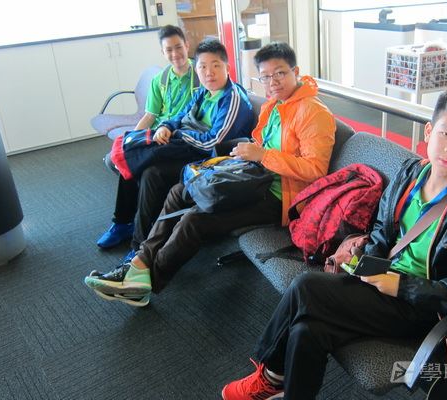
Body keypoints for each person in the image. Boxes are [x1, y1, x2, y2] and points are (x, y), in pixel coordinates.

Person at [221, 86, 447, 400]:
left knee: (306, 287)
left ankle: (270, 376)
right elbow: (382, 230)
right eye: (445, 134)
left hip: (426, 308)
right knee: (308, 328)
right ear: (429, 132)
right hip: (384, 285)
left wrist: (402, 286)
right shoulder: (412, 174)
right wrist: (367, 262)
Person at [84, 42, 336, 307]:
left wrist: (262, 155)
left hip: (281, 198)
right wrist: (247, 155)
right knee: (180, 191)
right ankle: (139, 261)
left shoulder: (313, 112)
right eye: (265, 76)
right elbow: (264, 145)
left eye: (280, 73)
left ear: (295, 71)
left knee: (195, 220)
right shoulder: (275, 105)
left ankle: (144, 282)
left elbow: (315, 170)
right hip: (254, 179)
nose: (272, 82)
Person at [97, 37, 254, 264]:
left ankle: (140, 246)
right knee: (136, 157)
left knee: (152, 172)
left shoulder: (232, 99)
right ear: (197, 69)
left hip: (213, 160)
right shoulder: (203, 92)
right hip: (189, 148)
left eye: (215, 66)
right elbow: (180, 116)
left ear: (227, 67)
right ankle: (122, 222)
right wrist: (166, 127)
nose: (209, 73)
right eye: (202, 67)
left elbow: (214, 142)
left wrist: (178, 134)